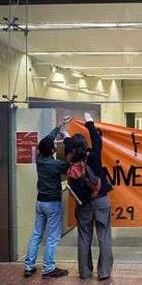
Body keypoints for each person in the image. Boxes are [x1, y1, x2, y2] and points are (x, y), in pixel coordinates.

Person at [24, 117, 71, 279]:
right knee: (52, 236)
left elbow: (47, 140)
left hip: (40, 202)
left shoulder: (39, 159)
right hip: (52, 204)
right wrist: (68, 141)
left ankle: (29, 266)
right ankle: (49, 268)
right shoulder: (56, 164)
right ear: (52, 150)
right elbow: (71, 166)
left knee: (37, 234)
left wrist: (59, 126)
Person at [68, 113, 113, 280]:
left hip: (84, 204)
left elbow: (69, 147)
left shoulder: (71, 161)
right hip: (101, 200)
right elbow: (98, 141)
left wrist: (66, 137)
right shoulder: (93, 157)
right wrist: (90, 123)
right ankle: (104, 272)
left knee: (84, 236)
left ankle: (85, 272)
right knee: (104, 236)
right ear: (85, 145)